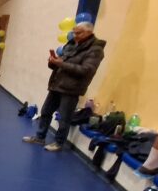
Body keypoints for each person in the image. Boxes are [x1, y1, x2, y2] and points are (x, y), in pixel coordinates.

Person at [23, 22, 106, 152]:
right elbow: (60, 62)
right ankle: (40, 137)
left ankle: (59, 142)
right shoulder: (72, 43)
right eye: (74, 32)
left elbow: (86, 70)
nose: (75, 35)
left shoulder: (96, 50)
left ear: (89, 33)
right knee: (45, 112)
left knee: (64, 118)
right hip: (57, 85)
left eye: (78, 32)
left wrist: (61, 64)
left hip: (72, 89)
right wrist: (53, 62)